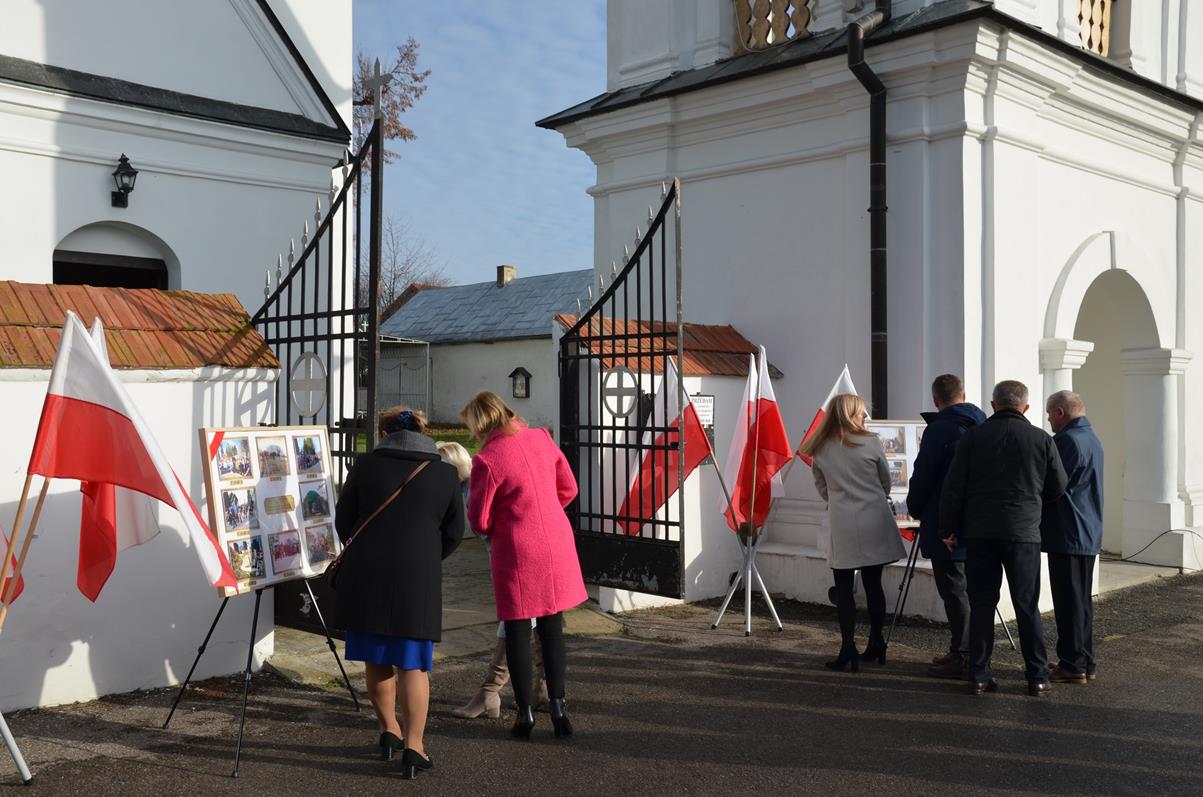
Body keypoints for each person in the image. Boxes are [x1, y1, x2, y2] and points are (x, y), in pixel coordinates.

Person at [334, 406, 464, 778]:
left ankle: (388, 729)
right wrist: (426, 557)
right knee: (413, 664)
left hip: (367, 573)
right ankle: (414, 746)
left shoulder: (364, 466)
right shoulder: (445, 474)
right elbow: (455, 532)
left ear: (383, 432)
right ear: (423, 432)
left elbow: (344, 522)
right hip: (417, 577)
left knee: (376, 658)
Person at [462, 391, 586, 739]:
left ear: (480, 424)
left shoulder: (487, 459)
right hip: (556, 541)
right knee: (552, 626)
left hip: (517, 548)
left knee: (518, 628)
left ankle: (526, 714)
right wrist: (544, 508)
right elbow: (569, 488)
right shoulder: (541, 438)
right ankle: (558, 708)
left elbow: (480, 520)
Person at [940, 380, 1068, 697]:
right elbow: (1058, 485)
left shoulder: (973, 437)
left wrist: (949, 529)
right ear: (1026, 407)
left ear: (994, 405)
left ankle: (979, 675)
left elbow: (954, 487)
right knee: (1027, 606)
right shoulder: (1041, 439)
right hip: (1024, 533)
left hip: (981, 533)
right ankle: (1037, 676)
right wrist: (1033, 504)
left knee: (982, 605)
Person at [441, 439, 548, 721]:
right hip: (536, 551)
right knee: (537, 621)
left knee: (515, 622)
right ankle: (543, 690)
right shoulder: (478, 481)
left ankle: (490, 692)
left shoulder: (473, 489)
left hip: (515, 558)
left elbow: (484, 525)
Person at [799, 393, 906, 672]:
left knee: (844, 588)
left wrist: (840, 500)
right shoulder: (870, 442)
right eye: (861, 412)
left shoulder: (820, 447)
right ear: (851, 414)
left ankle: (847, 647)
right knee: (873, 584)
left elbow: (822, 487)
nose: (863, 417)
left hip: (842, 521)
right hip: (874, 519)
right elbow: (886, 481)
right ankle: (876, 641)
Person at [905, 374, 987, 679]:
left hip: (946, 521)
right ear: (963, 395)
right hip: (980, 520)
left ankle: (964, 656)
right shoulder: (984, 424)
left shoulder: (940, 429)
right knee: (972, 590)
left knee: (954, 590)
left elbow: (925, 474)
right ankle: (968, 652)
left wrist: (914, 508)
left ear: (936, 400)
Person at [1041, 390, 1104, 684]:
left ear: (1060, 412)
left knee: (1069, 603)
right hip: (1085, 529)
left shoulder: (1067, 440)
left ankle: (1072, 664)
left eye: (1049, 414)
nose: (1049, 420)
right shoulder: (1091, 437)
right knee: (1080, 602)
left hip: (1069, 530)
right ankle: (1084, 661)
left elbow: (1054, 485)